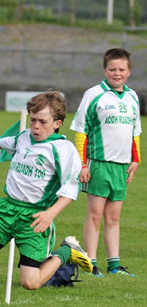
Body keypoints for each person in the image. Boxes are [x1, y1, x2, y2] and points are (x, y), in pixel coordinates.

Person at [0, 91, 93, 297]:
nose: (35, 125)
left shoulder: (64, 149)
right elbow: (7, 143)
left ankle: (67, 251)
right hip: (6, 210)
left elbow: (70, 191)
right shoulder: (24, 137)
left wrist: (50, 214)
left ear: (57, 123)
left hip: (34, 218)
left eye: (42, 121)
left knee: (30, 282)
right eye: (33, 120)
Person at [70, 48, 141, 277]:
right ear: (105, 70)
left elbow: (135, 132)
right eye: (112, 69)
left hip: (121, 166)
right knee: (95, 215)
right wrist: (82, 164)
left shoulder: (132, 97)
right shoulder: (94, 94)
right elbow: (80, 131)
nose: (116, 73)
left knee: (114, 217)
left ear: (128, 71)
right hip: (98, 163)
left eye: (121, 69)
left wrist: (136, 160)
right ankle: (90, 262)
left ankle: (114, 264)